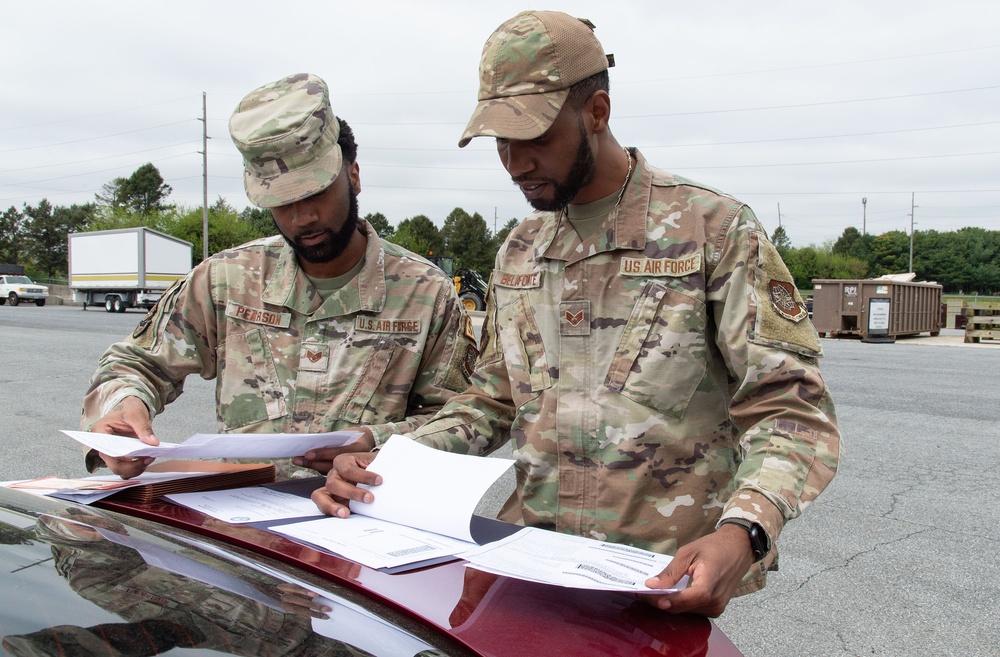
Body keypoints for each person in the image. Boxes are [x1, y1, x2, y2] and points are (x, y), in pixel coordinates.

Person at [313, 11, 841, 617]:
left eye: (534, 137)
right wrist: (393, 455)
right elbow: (491, 401)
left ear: (596, 112)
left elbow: (792, 408)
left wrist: (744, 531)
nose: (514, 162)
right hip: (529, 563)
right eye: (500, 142)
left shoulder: (713, 231)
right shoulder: (520, 249)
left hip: (662, 580)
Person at [81, 72, 479, 480]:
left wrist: (378, 442)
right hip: (244, 525)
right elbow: (134, 363)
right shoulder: (227, 279)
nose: (301, 217)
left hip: (364, 519)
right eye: (281, 202)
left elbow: (464, 418)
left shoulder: (426, 293)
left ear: (353, 175)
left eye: (315, 193)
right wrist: (124, 405)